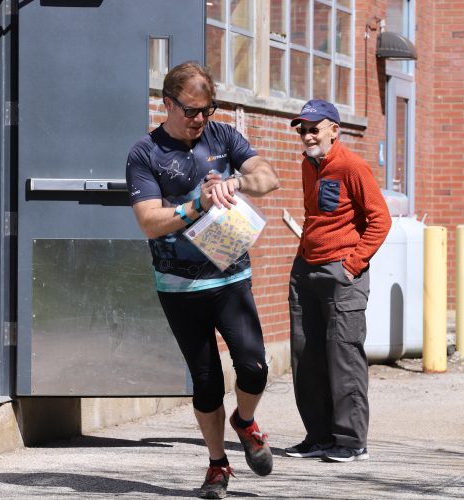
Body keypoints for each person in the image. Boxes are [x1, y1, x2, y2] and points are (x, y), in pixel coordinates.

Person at [126, 61, 279, 499]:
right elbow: (149, 222)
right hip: (178, 286)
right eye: (191, 110)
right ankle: (217, 466)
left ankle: (245, 422)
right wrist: (197, 206)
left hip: (231, 276)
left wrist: (235, 182)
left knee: (253, 365)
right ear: (167, 103)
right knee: (206, 380)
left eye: (206, 110)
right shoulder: (145, 153)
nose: (198, 120)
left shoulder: (222, 136)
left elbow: (269, 177)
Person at [285, 99, 391, 463]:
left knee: (343, 355)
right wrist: (301, 258)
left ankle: (350, 441)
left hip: (342, 273)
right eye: (303, 129)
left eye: (314, 128)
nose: (307, 135)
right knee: (305, 355)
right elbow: (314, 216)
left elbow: (380, 221)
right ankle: (318, 437)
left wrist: (353, 264)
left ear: (334, 129)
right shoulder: (307, 165)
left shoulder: (352, 166)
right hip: (306, 271)